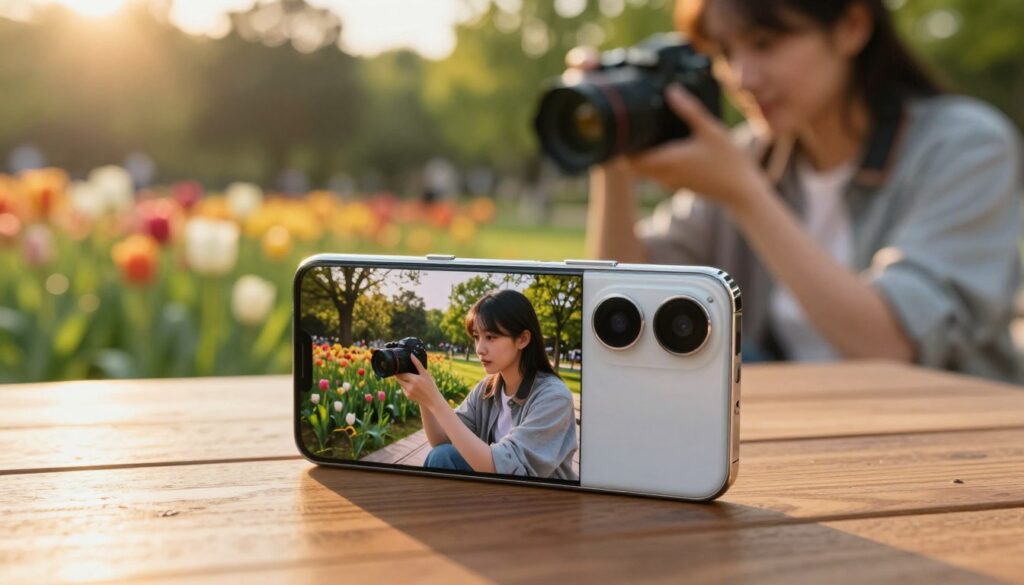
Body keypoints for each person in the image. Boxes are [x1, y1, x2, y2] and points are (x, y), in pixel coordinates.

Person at [583, 0, 1023, 382]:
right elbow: (619, 297)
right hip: (809, 435)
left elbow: (893, 344)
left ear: (852, 26)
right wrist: (613, 152)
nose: (741, 77)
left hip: (959, 442)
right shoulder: (750, 158)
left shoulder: (967, 145)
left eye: (763, 43)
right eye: (723, 51)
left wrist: (747, 196)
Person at [394, 289, 579, 480]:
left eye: (491, 337)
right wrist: (424, 398)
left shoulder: (553, 397)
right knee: (441, 457)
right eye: (476, 336)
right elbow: (441, 441)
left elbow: (503, 470)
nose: (479, 349)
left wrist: (435, 400)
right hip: (497, 493)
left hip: (542, 501)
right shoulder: (488, 388)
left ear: (522, 339)